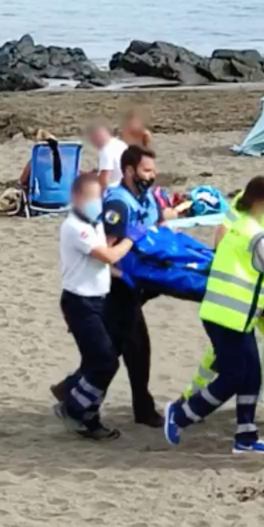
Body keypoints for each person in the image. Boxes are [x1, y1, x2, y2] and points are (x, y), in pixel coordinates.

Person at [164, 176, 264, 454]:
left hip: (224, 313)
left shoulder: (237, 226)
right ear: (263, 203)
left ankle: (246, 437)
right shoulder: (258, 237)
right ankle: (180, 415)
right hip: (231, 316)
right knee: (233, 378)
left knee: (251, 375)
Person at [182, 162, 264, 422]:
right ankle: (191, 398)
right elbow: (224, 231)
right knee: (227, 350)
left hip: (263, 284)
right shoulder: (257, 193)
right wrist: (227, 271)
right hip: (246, 285)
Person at [53, 173, 136, 440]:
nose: (96, 202)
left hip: (99, 300)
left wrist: (123, 276)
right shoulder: (76, 227)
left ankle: (86, 412)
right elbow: (107, 254)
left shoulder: (94, 223)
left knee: (99, 360)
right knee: (104, 361)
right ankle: (74, 408)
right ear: (77, 199)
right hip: (80, 303)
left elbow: (101, 263)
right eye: (91, 198)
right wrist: (131, 239)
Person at [95, 145, 165, 426]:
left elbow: (154, 227)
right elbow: (105, 254)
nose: (152, 175)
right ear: (128, 171)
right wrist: (124, 278)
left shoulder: (144, 198)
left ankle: (74, 391)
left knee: (124, 348)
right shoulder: (118, 204)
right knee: (125, 348)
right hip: (117, 287)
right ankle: (79, 397)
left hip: (137, 285)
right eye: (147, 170)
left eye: (153, 169)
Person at [89, 122, 128, 189]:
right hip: (125, 185)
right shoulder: (121, 144)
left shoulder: (106, 150)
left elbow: (104, 179)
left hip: (113, 189)